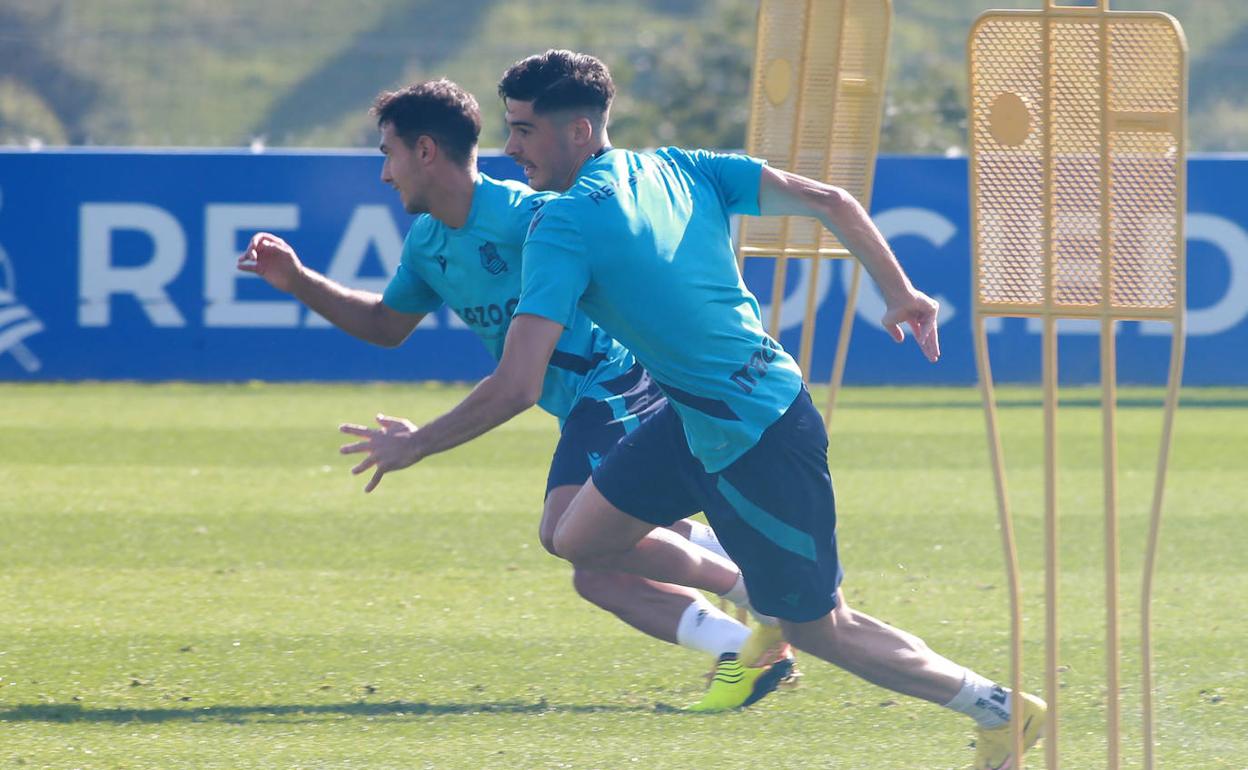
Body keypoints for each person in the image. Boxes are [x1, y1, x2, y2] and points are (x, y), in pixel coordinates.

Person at [338, 53, 1048, 767]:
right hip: (687, 416)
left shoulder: (563, 224)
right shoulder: (679, 165)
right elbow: (830, 199)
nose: (510, 149)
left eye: (522, 131)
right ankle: (751, 594)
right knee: (579, 541)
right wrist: (900, 291)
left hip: (757, 432)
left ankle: (1000, 709)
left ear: (579, 131)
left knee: (823, 628)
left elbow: (518, 383)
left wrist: (417, 444)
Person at [237, 79, 794, 710]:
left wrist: (419, 443)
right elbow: (385, 326)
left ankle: (767, 598)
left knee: (563, 527)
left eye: (387, 154)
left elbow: (523, 381)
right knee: (597, 572)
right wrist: (299, 280)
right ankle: (744, 647)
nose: (384, 175)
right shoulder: (427, 242)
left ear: (425, 151)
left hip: (616, 380)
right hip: (584, 401)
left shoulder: (531, 216)